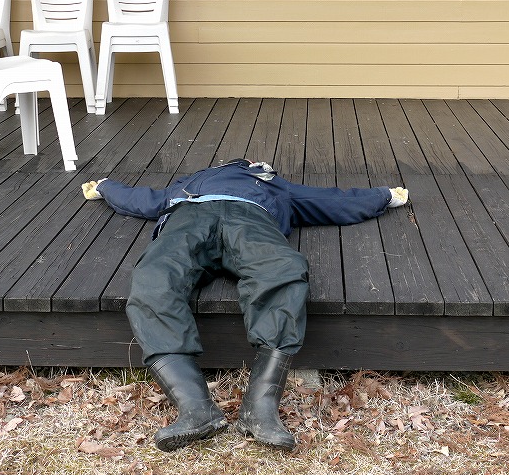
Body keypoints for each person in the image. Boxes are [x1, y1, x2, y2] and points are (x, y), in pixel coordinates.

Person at [81, 159, 408, 452]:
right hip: (189, 215)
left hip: (250, 218)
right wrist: (106, 188)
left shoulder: (273, 185)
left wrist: (382, 196)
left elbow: (331, 202)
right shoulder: (188, 183)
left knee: (282, 270)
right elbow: (143, 200)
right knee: (154, 276)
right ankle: (195, 409)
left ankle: (260, 410)